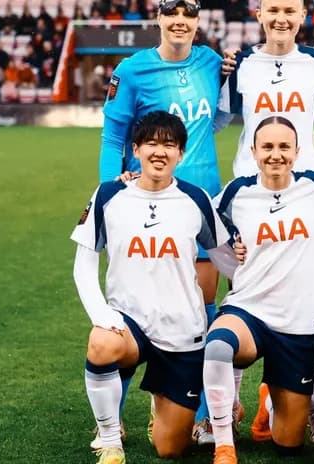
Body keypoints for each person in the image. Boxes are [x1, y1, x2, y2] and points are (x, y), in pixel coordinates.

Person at [96, 0, 232, 445]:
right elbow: (114, 135)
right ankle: (112, 423)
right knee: (133, 310)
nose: (179, 22)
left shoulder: (212, 61)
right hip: (147, 203)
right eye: (171, 13)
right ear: (158, 18)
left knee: (203, 310)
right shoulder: (133, 70)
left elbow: (225, 113)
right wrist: (108, 193)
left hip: (201, 201)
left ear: (197, 21)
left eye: (188, 15)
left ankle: (211, 417)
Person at [72, 111, 238, 464]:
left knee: (171, 449)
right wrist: (102, 316)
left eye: (169, 144)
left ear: (181, 153)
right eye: (150, 143)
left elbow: (226, 260)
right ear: (136, 149)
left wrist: (239, 305)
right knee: (101, 342)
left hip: (183, 331)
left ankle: (162, 406)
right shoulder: (109, 195)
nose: (159, 152)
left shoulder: (196, 200)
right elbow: (83, 264)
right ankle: (109, 438)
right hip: (129, 326)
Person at [203, 116, 314, 464]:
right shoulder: (238, 192)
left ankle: (272, 403)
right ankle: (223, 440)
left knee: (288, 444)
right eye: (267, 147)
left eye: (283, 147)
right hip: (248, 310)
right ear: (253, 151)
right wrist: (235, 263)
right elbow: (206, 232)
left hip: (299, 326)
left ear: (297, 152)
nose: (275, 154)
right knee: (218, 345)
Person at [219, 0, 314, 177]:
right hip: (252, 178)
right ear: (259, 15)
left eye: (289, 11)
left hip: (305, 179)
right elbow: (218, 121)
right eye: (273, 10)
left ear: (302, 16)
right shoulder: (240, 64)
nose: (281, 19)